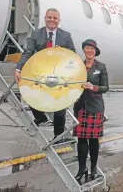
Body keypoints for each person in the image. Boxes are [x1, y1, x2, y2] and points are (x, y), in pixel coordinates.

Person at [14, 8, 76, 143]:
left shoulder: (66, 36)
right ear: (45, 18)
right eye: (50, 17)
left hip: (59, 73)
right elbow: (28, 52)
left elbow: (73, 55)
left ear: (59, 21)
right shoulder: (36, 34)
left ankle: (58, 135)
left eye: (55, 18)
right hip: (41, 72)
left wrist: (63, 53)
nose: (52, 20)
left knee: (60, 105)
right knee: (27, 92)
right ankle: (40, 116)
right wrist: (19, 68)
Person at [73, 39, 109, 182]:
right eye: (87, 48)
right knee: (81, 140)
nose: (90, 51)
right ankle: (82, 169)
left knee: (94, 140)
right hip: (81, 106)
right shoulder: (78, 66)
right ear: (84, 50)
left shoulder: (101, 66)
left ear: (95, 51)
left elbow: (105, 87)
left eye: (92, 49)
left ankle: (93, 167)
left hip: (95, 107)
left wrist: (93, 87)